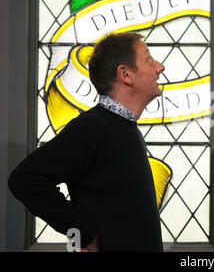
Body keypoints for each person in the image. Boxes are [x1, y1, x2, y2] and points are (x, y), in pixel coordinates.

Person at [8, 32, 165, 252]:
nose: (160, 67)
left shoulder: (126, 128)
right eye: (149, 60)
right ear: (126, 74)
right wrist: (82, 231)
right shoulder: (93, 128)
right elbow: (24, 179)